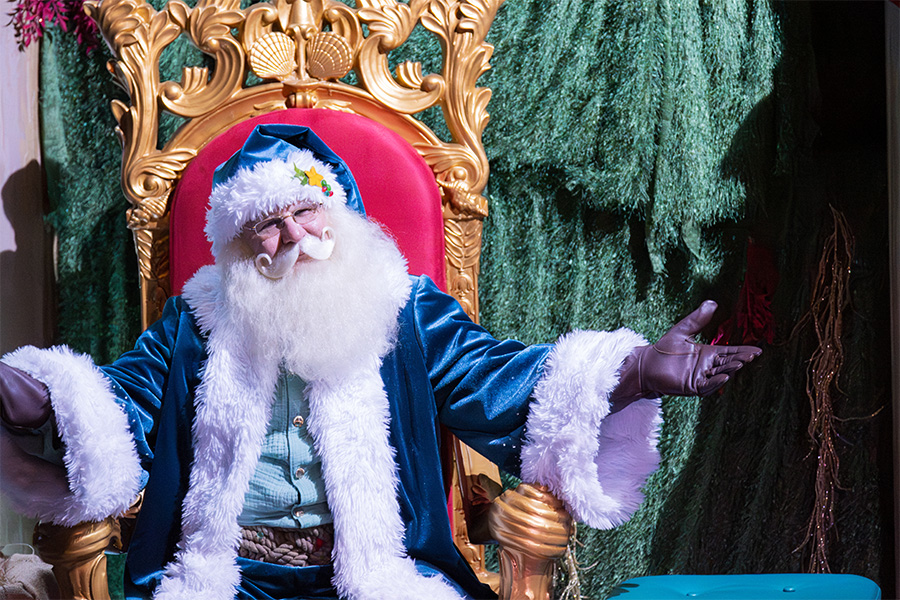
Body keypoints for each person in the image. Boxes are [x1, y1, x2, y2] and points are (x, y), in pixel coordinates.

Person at [0, 124, 760, 600]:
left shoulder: (404, 307)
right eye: (267, 224)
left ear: (336, 215)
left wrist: (629, 375)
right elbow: (120, 406)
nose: (292, 235)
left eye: (305, 211)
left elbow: (501, 380)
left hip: (372, 576)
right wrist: (33, 394)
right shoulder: (196, 317)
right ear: (239, 244)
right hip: (225, 578)